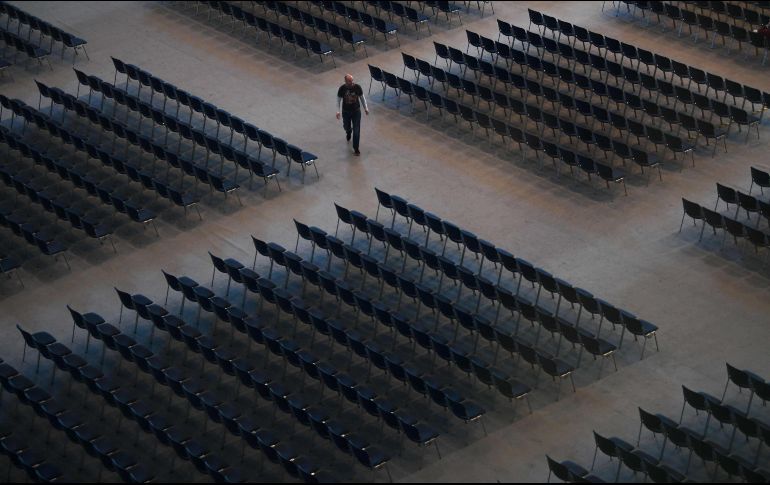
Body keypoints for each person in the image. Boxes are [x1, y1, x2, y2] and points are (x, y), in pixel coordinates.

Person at [336, 73, 369, 156]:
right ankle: (348, 131)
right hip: (346, 111)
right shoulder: (342, 88)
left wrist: (366, 108)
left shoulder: (357, 87)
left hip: (356, 111)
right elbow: (338, 100)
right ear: (345, 81)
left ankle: (356, 148)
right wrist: (338, 111)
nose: (351, 83)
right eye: (349, 81)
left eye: (352, 81)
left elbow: (362, 98)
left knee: (357, 130)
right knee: (346, 126)